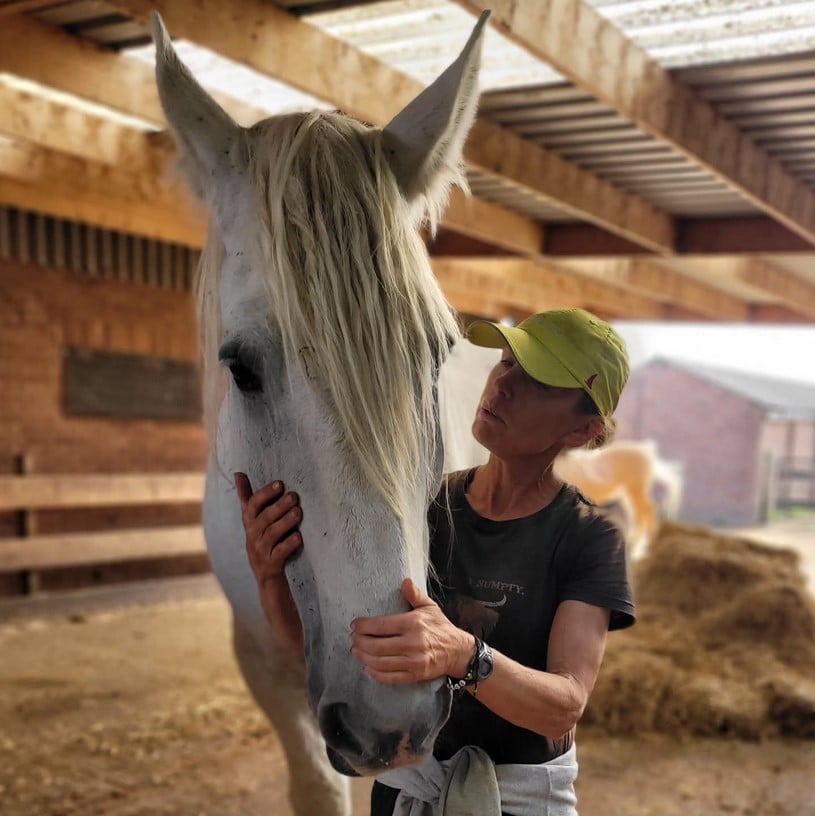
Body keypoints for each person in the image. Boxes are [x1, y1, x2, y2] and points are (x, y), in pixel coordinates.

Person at [236, 308, 636, 816]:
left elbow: (562, 708)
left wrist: (466, 657)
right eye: (507, 362)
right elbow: (327, 653)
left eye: (537, 380)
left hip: (515, 805)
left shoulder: (587, 536)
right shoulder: (426, 507)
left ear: (583, 430)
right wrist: (269, 576)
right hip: (409, 794)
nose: (504, 384)